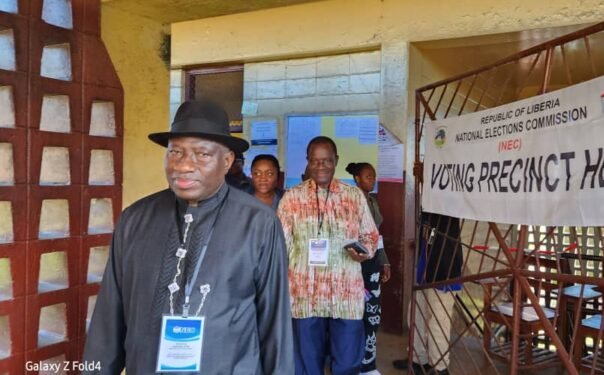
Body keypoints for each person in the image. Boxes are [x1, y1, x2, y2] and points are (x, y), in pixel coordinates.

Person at [83, 100, 293, 374]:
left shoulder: (258, 223)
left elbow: (274, 324)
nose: (183, 165)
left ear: (227, 161)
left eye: (201, 154)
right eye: (176, 152)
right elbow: (107, 323)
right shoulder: (135, 219)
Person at [278, 136, 379, 375]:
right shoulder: (291, 198)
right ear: (307, 162)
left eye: (326, 161)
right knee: (305, 365)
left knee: (347, 364)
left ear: (336, 161)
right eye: (315, 161)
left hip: (345, 296)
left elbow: (371, 236)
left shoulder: (354, 197)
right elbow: (280, 246)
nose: (321, 166)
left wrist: (363, 253)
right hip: (304, 296)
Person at [393, 212, 463, 375]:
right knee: (416, 314)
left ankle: (440, 367)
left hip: (444, 272)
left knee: (438, 321)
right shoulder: (427, 208)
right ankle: (418, 360)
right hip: (425, 271)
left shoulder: (447, 205)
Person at [345, 162, 390, 375]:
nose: (372, 180)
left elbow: (376, 236)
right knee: (355, 315)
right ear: (357, 179)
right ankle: (355, 363)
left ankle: (368, 364)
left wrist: (384, 261)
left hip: (372, 264)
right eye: (368, 176)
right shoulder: (350, 201)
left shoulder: (372, 201)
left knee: (372, 313)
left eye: (374, 176)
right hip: (355, 264)